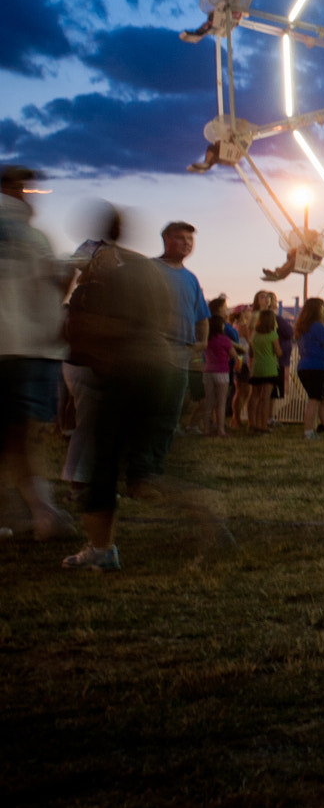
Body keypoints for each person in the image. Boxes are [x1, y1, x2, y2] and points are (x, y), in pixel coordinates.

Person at [61, 204, 176, 570]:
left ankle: (100, 548)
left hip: (125, 372)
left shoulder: (105, 275)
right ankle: (207, 514)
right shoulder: (146, 267)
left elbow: (98, 328)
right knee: (136, 473)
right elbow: (163, 317)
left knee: (105, 467)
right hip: (157, 368)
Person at [0, 164, 74, 540]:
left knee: (11, 440)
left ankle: (32, 512)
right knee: (23, 438)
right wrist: (71, 273)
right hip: (27, 348)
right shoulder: (33, 237)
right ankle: (42, 514)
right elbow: (51, 293)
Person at [149, 221, 208, 473]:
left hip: (180, 353)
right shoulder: (150, 270)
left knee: (171, 413)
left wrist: (201, 342)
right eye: (181, 238)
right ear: (165, 239)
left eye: (190, 239)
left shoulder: (190, 278)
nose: (187, 243)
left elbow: (201, 315)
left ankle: (155, 465)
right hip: (153, 351)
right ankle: (140, 469)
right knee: (149, 411)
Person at [200, 296, 242, 438]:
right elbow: (233, 355)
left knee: (209, 401)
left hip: (207, 371)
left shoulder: (207, 339)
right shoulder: (224, 339)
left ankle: (205, 429)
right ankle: (220, 430)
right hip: (222, 372)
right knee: (221, 402)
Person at [295, 300, 324, 438]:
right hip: (318, 366)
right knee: (315, 400)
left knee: (322, 399)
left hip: (304, 366)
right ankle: (308, 431)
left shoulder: (302, 328)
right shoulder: (317, 326)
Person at [247, 306, 281, 436]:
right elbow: (278, 351)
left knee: (254, 395)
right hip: (269, 368)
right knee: (265, 398)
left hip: (256, 368)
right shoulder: (272, 335)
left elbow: (251, 353)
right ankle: (263, 425)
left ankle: (252, 423)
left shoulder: (254, 335)